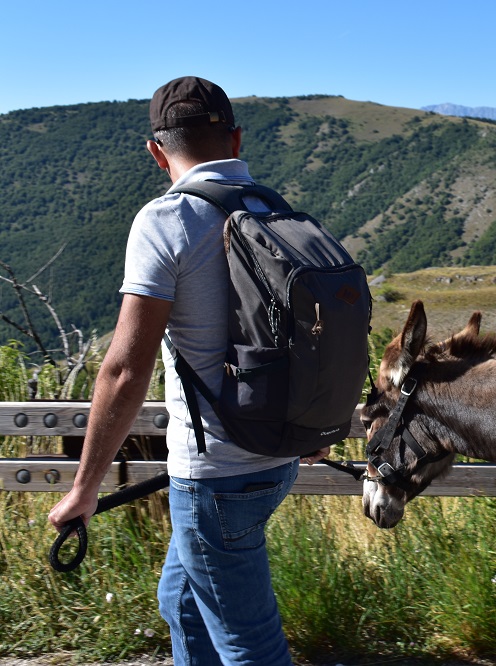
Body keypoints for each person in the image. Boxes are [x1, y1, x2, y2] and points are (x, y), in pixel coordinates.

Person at [48, 76, 326, 664]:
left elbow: (125, 371)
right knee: (182, 602)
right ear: (235, 138)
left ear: (156, 150)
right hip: (276, 458)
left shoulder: (166, 220)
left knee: (249, 645)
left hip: (214, 474)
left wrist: (84, 489)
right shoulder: (273, 209)